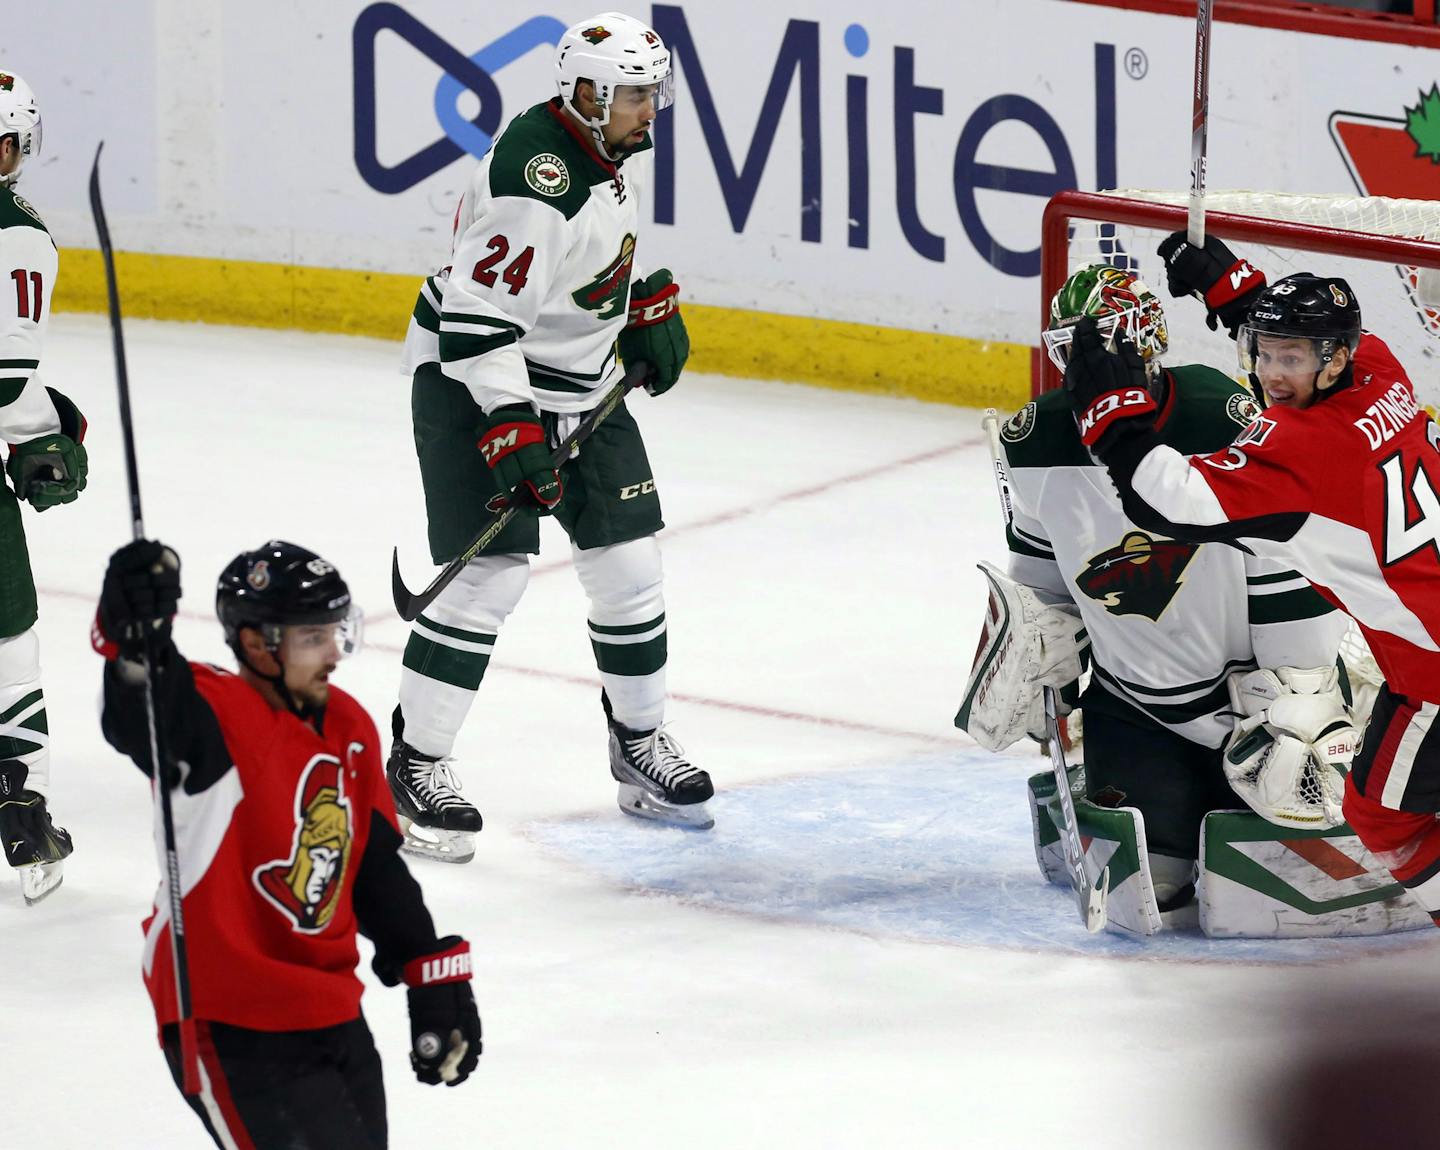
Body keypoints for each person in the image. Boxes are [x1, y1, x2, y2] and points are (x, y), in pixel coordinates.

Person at [390, 10, 710, 861]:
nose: (653, 109)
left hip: (579, 382)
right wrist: (510, 428)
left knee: (630, 567)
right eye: (637, 95)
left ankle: (639, 744)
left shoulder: (602, 151)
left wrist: (636, 309)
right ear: (586, 94)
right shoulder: (535, 186)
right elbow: (477, 320)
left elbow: (590, 258)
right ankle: (416, 762)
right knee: (486, 580)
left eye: (652, 91)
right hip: (476, 384)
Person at [956, 264, 1351, 933]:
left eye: (1102, 348)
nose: (1083, 368)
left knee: (1277, 875)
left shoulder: (1222, 419)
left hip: (1251, 701)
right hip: (1137, 704)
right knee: (1157, 890)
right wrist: (1039, 646)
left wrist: (1301, 692)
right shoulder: (1037, 441)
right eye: (1069, 351)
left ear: (1146, 345)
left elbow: (1293, 563)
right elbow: (1044, 581)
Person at [1064, 229, 1440, 927]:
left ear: (1335, 357)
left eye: (1290, 358)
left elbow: (1163, 499)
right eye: (1263, 355)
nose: (1271, 374)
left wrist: (1109, 412)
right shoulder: (1382, 375)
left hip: (1434, 675)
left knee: (1383, 820)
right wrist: (1230, 285)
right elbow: (1288, 337)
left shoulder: (1307, 452)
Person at [94, 539, 481, 1147]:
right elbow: (142, 711)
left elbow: (373, 867)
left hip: (330, 1007)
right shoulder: (214, 716)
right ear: (256, 644)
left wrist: (430, 972)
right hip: (229, 1015)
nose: (334, 653)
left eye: (337, 631)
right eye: (312, 638)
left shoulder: (349, 725)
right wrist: (134, 641)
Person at [0, 68, 87, 904]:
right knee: (7, 646)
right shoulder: (18, 233)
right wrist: (44, 436)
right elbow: (4, 376)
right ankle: (22, 808)